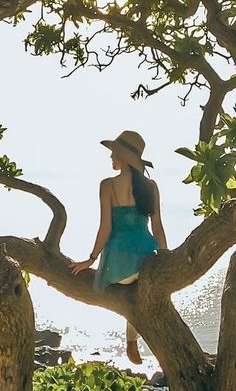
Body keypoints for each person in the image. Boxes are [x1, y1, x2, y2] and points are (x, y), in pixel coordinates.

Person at [71, 130, 167, 364]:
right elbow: (157, 227)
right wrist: (165, 257)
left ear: (123, 156)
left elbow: (105, 228)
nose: (111, 157)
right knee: (144, 292)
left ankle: (132, 343)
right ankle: (134, 342)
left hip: (118, 265)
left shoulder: (107, 186)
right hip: (144, 258)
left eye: (113, 153)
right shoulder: (150, 187)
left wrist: (91, 259)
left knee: (131, 294)